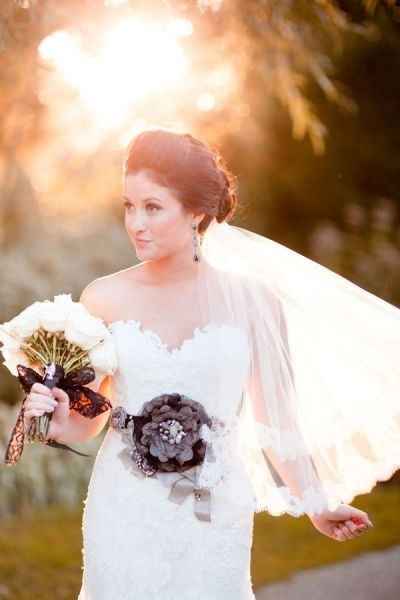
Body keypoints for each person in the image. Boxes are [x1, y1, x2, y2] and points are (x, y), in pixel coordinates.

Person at [23, 129, 374, 599]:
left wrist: (316, 505)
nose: (136, 224)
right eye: (129, 206)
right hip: (124, 505)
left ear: (195, 212)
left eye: (152, 207)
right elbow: (93, 420)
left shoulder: (254, 301)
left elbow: (278, 419)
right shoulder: (104, 298)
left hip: (215, 507)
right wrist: (54, 417)